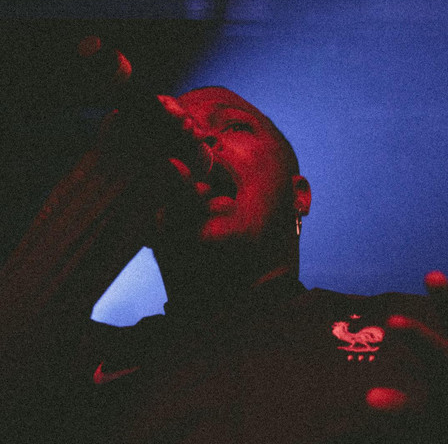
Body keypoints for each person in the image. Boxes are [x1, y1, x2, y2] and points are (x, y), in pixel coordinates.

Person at [2, 86, 447, 444]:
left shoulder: (410, 330)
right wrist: (104, 182)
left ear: (299, 195)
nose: (201, 142)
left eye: (234, 125)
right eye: (179, 139)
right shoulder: (86, 361)